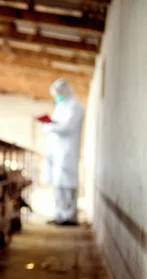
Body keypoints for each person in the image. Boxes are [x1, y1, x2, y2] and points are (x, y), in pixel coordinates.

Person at [37, 78, 85, 226]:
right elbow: (57, 124)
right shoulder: (62, 106)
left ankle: (69, 216)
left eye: (59, 93)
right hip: (58, 150)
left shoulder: (75, 106)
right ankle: (60, 214)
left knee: (67, 183)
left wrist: (49, 126)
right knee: (58, 183)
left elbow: (67, 127)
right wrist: (48, 124)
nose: (58, 96)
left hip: (67, 151)